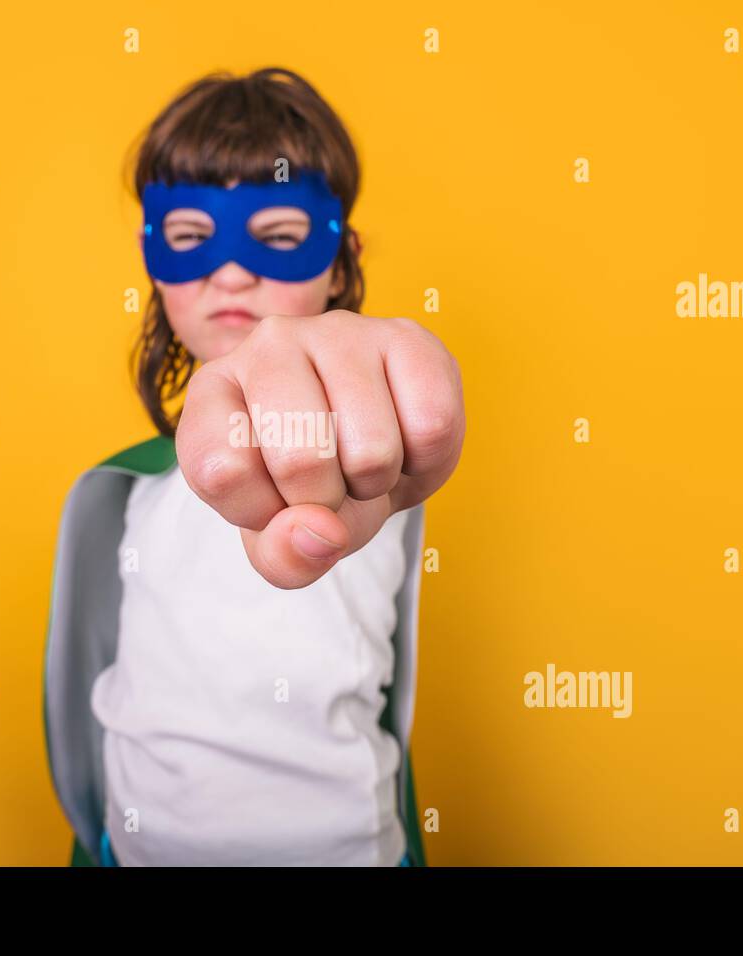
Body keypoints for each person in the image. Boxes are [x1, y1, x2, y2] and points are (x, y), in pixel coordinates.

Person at [56, 66, 465, 866]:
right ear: (153, 256)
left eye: (278, 237)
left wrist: (389, 367)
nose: (234, 272)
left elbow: (377, 391)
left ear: (339, 264)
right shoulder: (122, 494)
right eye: (190, 237)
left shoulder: (365, 458)